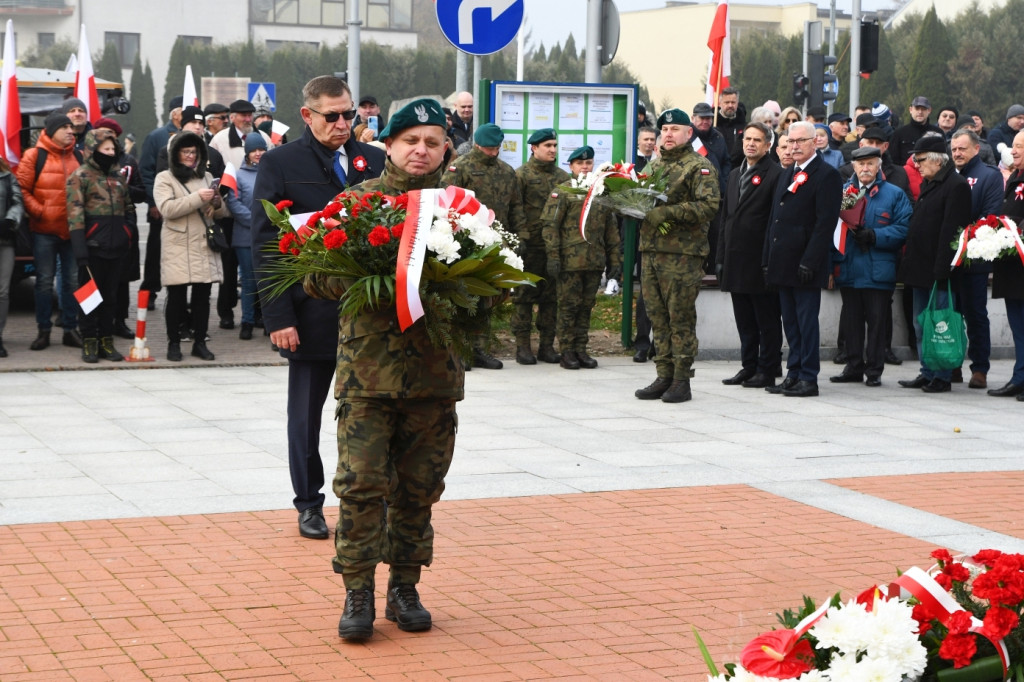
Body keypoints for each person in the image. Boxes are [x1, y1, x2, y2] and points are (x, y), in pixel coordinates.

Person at [301, 97, 458, 642]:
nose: (421, 151)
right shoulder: (357, 202)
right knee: (362, 487)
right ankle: (358, 593)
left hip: (435, 377)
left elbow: (494, 289)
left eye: (432, 142)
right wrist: (369, 276)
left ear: (444, 150)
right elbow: (314, 279)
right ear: (388, 144)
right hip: (368, 375)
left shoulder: (464, 209)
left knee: (418, 489)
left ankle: (406, 587)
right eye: (410, 140)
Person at [252, 75, 385, 542]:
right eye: (333, 116)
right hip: (310, 314)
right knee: (305, 418)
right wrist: (279, 318)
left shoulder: (376, 160)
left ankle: (371, 500)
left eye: (350, 114)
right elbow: (268, 248)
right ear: (308, 115)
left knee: (375, 412)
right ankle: (309, 503)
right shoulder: (281, 163)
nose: (344, 123)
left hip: (370, 315)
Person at [633, 108, 720, 404]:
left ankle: (682, 379)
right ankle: (664, 374)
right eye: (664, 130)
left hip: (683, 254)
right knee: (657, 316)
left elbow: (709, 206)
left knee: (679, 316)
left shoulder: (699, 166)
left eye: (674, 130)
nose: (668, 135)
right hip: (651, 251)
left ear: (688, 133)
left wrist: (666, 213)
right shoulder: (653, 167)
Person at [763, 121, 842, 398]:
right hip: (783, 262)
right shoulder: (787, 173)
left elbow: (825, 224)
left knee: (807, 322)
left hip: (806, 264)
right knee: (790, 323)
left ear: (814, 142)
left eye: (799, 141)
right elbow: (775, 220)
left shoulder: (826, 175)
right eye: (789, 141)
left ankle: (809, 377)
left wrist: (810, 261)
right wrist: (767, 258)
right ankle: (793, 373)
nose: (793, 146)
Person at [440, 122, 524, 369]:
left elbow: (516, 206)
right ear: (477, 144)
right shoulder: (460, 168)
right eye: (488, 148)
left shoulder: (507, 171)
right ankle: (460, 350)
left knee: (487, 296)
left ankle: (479, 349)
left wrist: (521, 237)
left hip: (495, 241)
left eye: (496, 148)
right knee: (462, 295)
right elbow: (446, 202)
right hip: (466, 243)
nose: (492, 152)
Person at [829, 146, 911, 386]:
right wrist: (832, 266)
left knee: (877, 323)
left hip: (879, 270)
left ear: (879, 166)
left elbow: (904, 228)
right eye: (861, 164)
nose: (865, 168)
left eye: (870, 164)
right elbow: (829, 229)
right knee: (851, 322)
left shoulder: (895, 194)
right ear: (853, 166)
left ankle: (874, 371)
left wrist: (875, 235)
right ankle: (853, 367)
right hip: (849, 268)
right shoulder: (843, 193)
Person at [897, 136, 972, 393]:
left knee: (939, 324)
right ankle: (927, 370)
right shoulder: (931, 182)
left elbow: (952, 232)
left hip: (939, 271)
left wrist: (944, 269)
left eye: (919, 160)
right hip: (919, 268)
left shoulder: (956, 185)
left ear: (936, 160)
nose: (916, 165)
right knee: (922, 323)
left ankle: (941, 375)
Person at [541, 145, 621, 370]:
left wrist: (615, 261)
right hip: (569, 262)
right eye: (580, 164)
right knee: (568, 307)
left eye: (589, 163)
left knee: (586, 307)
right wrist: (553, 256)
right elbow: (550, 226)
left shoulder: (601, 192)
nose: (585, 168)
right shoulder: (564, 191)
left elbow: (611, 231)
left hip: (594, 262)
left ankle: (581, 349)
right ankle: (566, 350)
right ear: (571, 166)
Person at [717, 121, 783, 389]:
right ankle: (749, 366)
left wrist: (770, 259)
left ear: (769, 145)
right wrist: (720, 257)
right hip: (735, 259)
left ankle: (767, 369)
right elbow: (725, 219)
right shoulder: (734, 175)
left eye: (757, 140)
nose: (751, 144)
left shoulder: (776, 174)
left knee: (765, 320)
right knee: (744, 320)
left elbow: (774, 222)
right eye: (747, 140)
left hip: (760, 260)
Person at [153, 131, 229, 362]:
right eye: (185, 151)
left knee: (202, 297)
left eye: (194, 152)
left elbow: (223, 213)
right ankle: (173, 343)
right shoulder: (164, 178)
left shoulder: (206, 176)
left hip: (203, 244)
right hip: (178, 245)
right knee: (176, 297)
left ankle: (199, 343)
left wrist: (216, 203)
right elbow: (167, 210)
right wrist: (198, 197)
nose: (190, 156)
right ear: (175, 154)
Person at [66, 129, 136, 363]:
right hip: (92, 246)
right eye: (105, 149)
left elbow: (128, 208)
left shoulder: (117, 177)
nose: (110, 152)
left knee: (110, 297)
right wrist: (80, 250)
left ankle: (107, 341)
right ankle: (89, 342)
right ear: (93, 149)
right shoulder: (81, 176)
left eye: (112, 148)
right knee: (89, 298)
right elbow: (75, 215)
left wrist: (127, 233)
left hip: (116, 247)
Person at [17, 112, 83, 351]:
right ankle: (43, 330)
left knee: (72, 282)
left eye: (71, 127)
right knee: (44, 282)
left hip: (72, 232)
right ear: (52, 130)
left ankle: (70, 329)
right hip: (43, 231)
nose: (70, 131)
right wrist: (41, 212)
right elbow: (21, 190)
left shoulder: (78, 155)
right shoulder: (34, 155)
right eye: (65, 127)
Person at [949, 128, 1003, 389]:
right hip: (948, 260)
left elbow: (990, 215)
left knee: (975, 314)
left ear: (975, 149)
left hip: (975, 259)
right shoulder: (947, 174)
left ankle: (979, 368)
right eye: (954, 149)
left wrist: (965, 237)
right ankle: (952, 365)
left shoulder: (989, 176)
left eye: (962, 148)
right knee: (951, 313)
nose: (957, 153)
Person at [512, 128, 569, 365]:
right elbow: (515, 208)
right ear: (534, 148)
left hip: (553, 247)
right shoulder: (521, 175)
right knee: (523, 297)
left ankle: (547, 346)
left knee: (551, 298)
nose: (553, 150)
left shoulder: (563, 177)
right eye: (548, 146)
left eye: (555, 146)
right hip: (530, 246)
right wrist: (520, 238)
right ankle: (523, 346)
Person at [94, 117, 146, 341]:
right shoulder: (89, 161)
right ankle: (94, 324)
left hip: (124, 225)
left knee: (122, 277)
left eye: (111, 133)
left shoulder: (129, 161)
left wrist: (123, 187)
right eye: (102, 132)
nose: (107, 136)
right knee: (97, 278)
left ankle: (119, 320)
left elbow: (142, 193)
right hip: (97, 229)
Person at [139, 95, 184, 310]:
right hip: (160, 206)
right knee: (155, 251)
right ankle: (149, 290)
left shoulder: (192, 138)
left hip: (185, 206)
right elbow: (146, 172)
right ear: (176, 113)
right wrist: (153, 202)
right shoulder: (156, 137)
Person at [989, 131, 1024, 398]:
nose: (1013, 151)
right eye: (1013, 146)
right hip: (1012, 265)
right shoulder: (1014, 176)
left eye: (1020, 146)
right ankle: (1019, 376)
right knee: (1018, 326)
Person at [225, 133, 266, 341]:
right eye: (254, 150)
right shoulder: (238, 175)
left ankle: (268, 322)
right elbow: (233, 203)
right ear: (247, 153)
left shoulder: (271, 173)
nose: (258, 153)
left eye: (261, 149)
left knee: (267, 281)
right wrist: (256, 221)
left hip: (268, 236)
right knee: (249, 282)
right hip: (245, 237)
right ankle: (247, 322)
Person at [0, 155, 24, 358]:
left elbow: (17, 202)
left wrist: (9, 221)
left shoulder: (7, 178)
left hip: (4, 242)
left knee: (2, 292)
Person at [891, 96, 942, 164]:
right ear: (910, 110)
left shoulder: (938, 133)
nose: (920, 112)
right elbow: (893, 160)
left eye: (923, 109)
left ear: (929, 110)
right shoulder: (899, 134)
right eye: (917, 108)